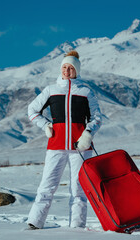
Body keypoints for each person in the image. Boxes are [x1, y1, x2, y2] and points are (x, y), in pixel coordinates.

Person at [26, 50, 102, 229]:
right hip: (56, 146)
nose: (67, 71)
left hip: (81, 148)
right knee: (47, 185)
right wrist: (45, 125)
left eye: (71, 68)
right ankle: (35, 223)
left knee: (78, 190)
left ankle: (76, 226)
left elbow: (97, 118)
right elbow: (32, 110)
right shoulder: (51, 90)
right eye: (64, 67)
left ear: (77, 70)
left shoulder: (85, 92)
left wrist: (88, 134)